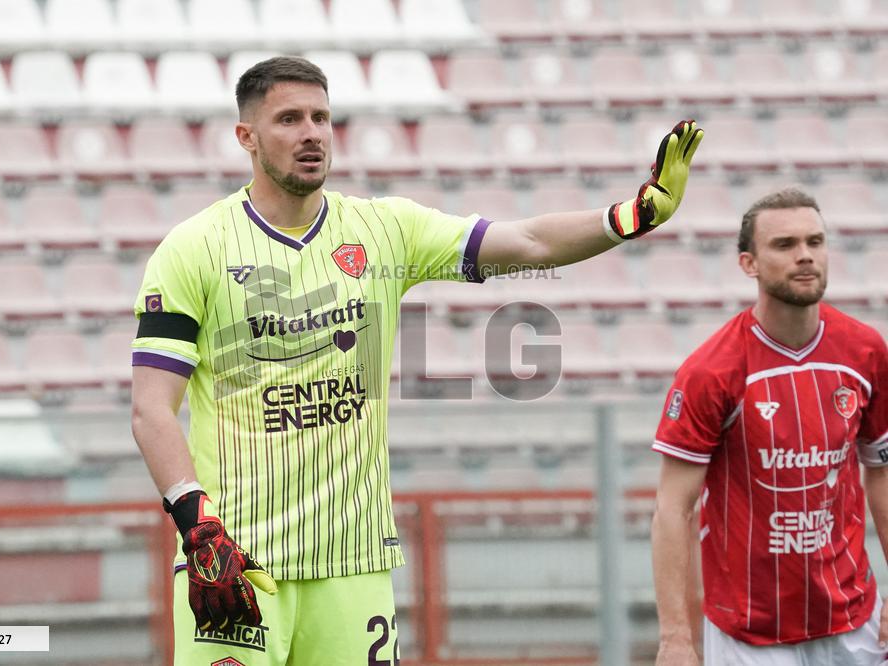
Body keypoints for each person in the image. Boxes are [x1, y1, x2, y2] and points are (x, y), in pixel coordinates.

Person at [130, 55, 703, 665]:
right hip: (236, 561)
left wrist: (631, 216)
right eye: (289, 119)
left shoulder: (384, 231)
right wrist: (196, 523)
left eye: (321, 118)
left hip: (354, 565)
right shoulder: (194, 249)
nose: (311, 134)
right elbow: (151, 410)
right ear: (246, 137)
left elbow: (528, 241)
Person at [651, 187, 888, 665]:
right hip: (748, 634)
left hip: (853, 620)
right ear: (749, 264)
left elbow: (881, 473)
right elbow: (673, 508)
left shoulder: (866, 352)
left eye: (815, 242)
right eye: (784, 245)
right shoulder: (711, 371)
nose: (805, 256)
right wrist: (676, 638)